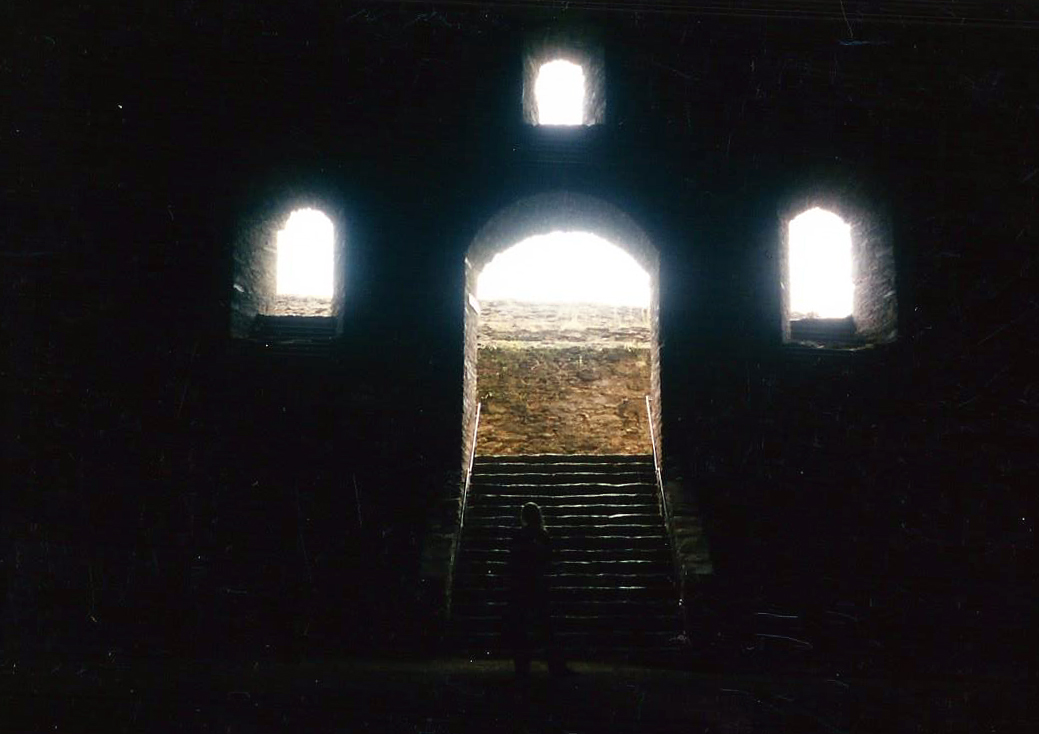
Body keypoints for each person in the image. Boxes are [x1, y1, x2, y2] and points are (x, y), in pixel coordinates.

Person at [505, 501, 572, 677]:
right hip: (539, 584)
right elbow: (550, 558)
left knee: (522, 627)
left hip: (522, 585)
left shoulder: (519, 535)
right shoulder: (542, 535)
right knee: (546, 627)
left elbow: (512, 560)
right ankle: (555, 666)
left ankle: (522, 667)